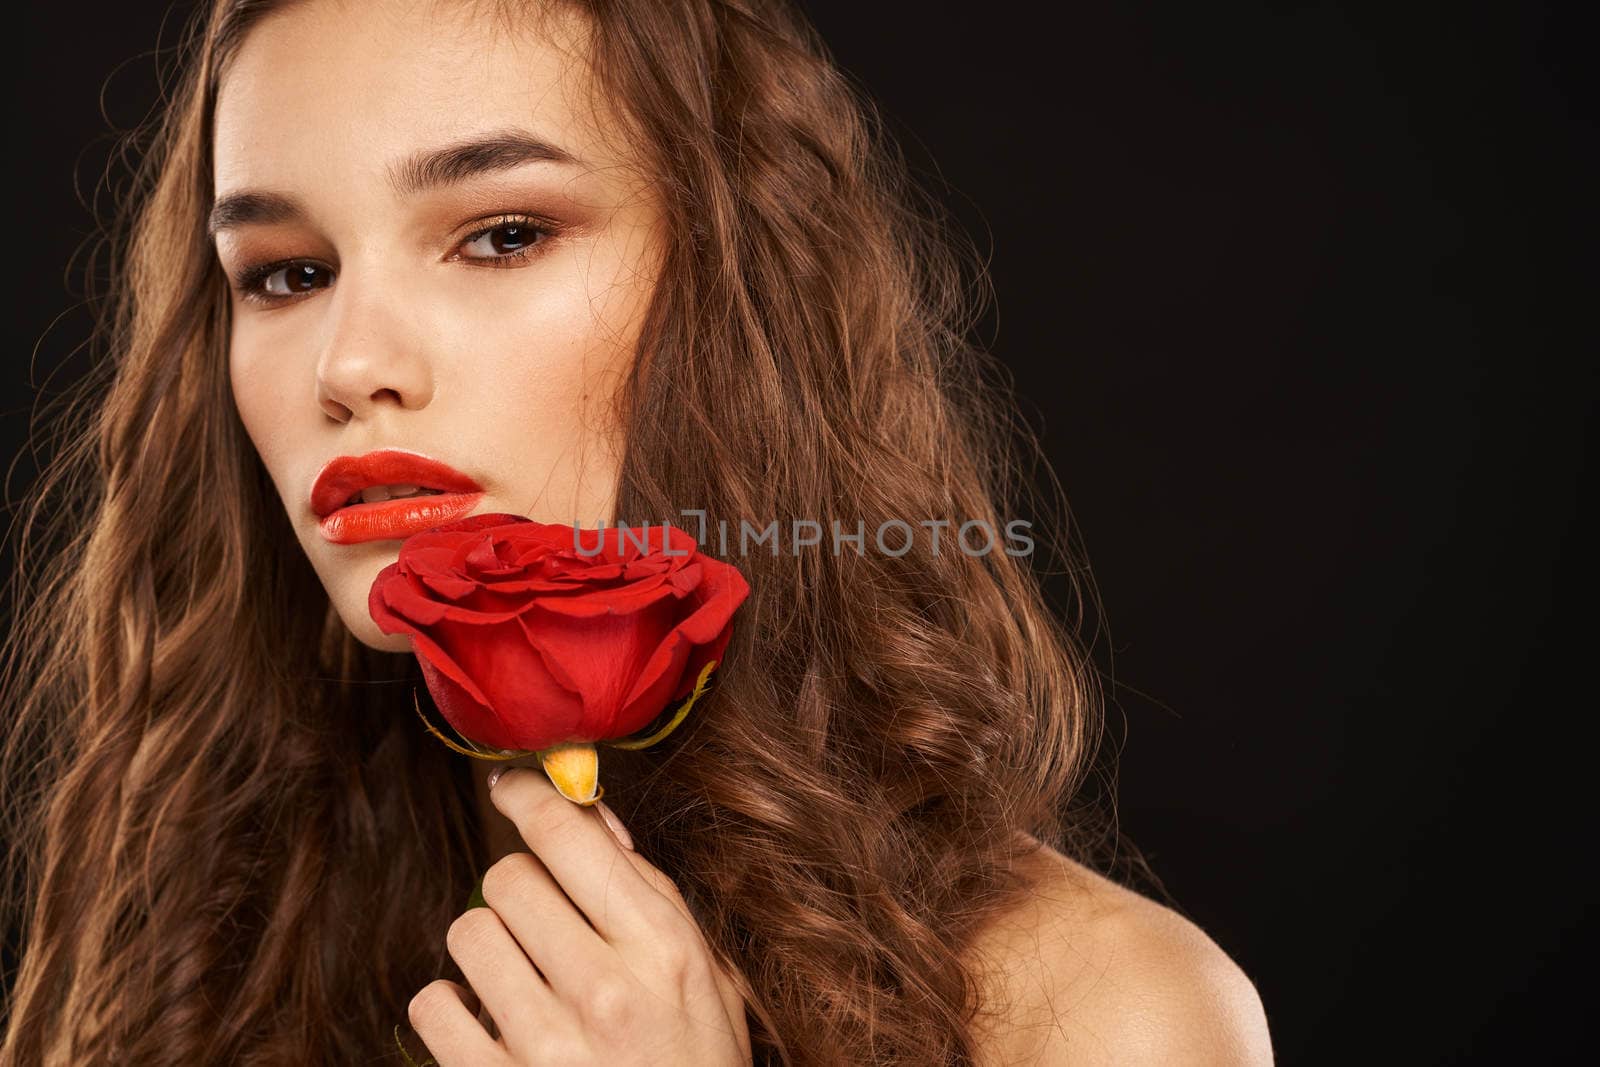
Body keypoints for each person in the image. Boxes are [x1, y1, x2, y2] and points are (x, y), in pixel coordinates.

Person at [0, 0, 1272, 1063]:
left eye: (502, 235)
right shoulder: (185, 953)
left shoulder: (1096, 1013)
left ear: (728, 287)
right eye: (288, 272)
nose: (351, 363)